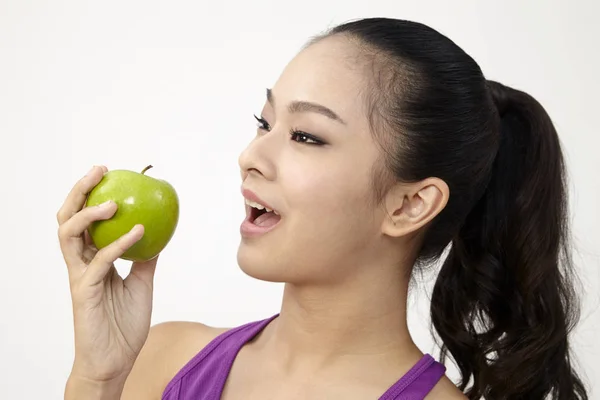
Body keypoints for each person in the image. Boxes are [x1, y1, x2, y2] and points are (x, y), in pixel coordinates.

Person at [58, 17, 588, 400]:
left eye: (307, 136)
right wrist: (98, 377)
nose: (250, 157)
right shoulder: (160, 358)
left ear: (409, 204)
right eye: (265, 123)